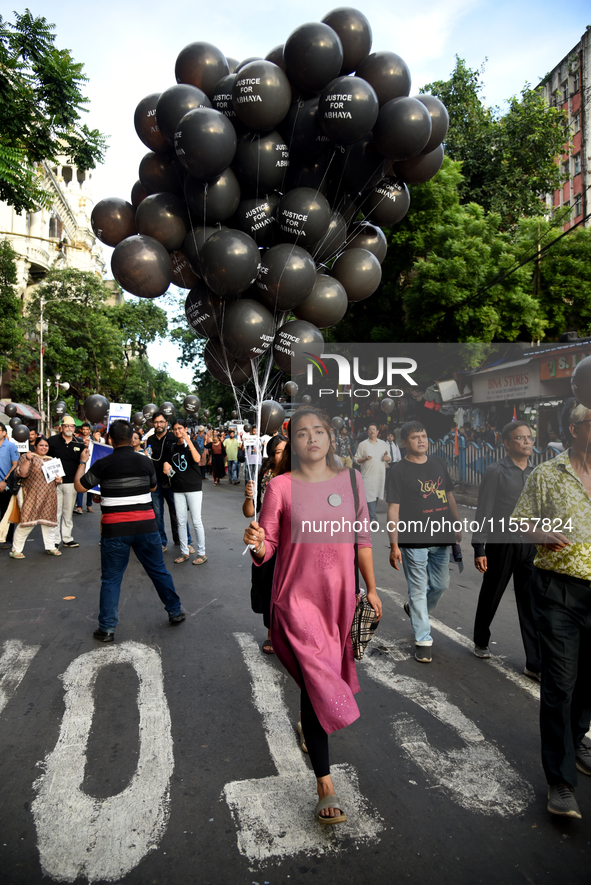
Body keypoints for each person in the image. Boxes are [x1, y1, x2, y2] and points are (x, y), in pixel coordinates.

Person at [243, 407, 382, 824]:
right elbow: (265, 546)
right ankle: (325, 784)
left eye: (319, 431)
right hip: (296, 602)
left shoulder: (352, 482)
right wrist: (255, 543)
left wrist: (372, 588)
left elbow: (362, 538)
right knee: (318, 681)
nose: (312, 439)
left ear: (330, 437)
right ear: (294, 442)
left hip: (338, 601)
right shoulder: (280, 487)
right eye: (302, 433)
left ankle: (311, 720)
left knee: (316, 685)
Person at [511, 398, 591, 820]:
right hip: (559, 591)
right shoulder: (548, 474)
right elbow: (520, 521)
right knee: (560, 683)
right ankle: (559, 781)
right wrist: (541, 533)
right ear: (575, 429)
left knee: (587, 684)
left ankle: (577, 740)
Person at [75, 419, 185, 641]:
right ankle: (175, 611)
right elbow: (153, 486)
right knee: (158, 570)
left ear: (110, 439)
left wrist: (82, 462)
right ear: (131, 438)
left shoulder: (102, 464)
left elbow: (80, 486)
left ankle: (107, 629)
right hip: (146, 527)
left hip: (114, 530)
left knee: (111, 578)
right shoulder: (144, 462)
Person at [386, 420, 462, 663]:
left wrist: (457, 522)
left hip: (441, 536)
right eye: (415, 437)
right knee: (418, 589)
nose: (421, 440)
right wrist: (394, 544)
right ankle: (423, 639)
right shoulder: (398, 471)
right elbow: (393, 510)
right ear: (404, 442)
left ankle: (416, 611)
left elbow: (448, 495)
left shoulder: (438, 463)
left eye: (424, 435)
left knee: (440, 585)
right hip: (412, 539)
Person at [470, 421, 541, 677]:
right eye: (520, 438)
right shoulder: (496, 471)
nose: (527, 442)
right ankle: (480, 639)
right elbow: (484, 510)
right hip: (502, 544)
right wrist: (480, 547)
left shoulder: (537, 472)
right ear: (507, 442)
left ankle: (534, 662)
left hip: (530, 546)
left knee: (531, 602)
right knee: (492, 593)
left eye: (530, 438)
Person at [242, 434, 287, 653]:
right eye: (279, 451)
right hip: (267, 539)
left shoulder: (299, 476)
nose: (284, 455)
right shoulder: (265, 476)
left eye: (287, 450)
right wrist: (249, 496)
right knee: (268, 585)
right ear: (271, 455)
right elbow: (249, 512)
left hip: (292, 540)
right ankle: (271, 632)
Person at [10, 436, 62, 558]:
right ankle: (16, 550)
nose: (44, 448)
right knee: (28, 522)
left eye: (46, 446)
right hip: (30, 494)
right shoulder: (27, 457)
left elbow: (58, 478)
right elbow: (22, 473)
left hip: (49, 495)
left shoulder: (52, 460)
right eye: (41, 445)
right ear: (35, 446)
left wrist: (59, 480)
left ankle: (50, 547)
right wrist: (27, 460)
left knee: (48, 523)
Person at [163, 418, 206, 565]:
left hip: (193, 487)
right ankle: (184, 552)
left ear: (186, 429)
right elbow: (168, 462)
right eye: (175, 429)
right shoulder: (173, 447)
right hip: (178, 488)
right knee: (181, 521)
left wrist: (188, 440)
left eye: (180, 428)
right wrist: (166, 466)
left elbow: (197, 459)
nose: (178, 431)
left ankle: (201, 553)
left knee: (196, 520)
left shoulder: (192, 444)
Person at [147, 411, 191, 553]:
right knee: (157, 514)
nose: (158, 425)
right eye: (156, 422)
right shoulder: (150, 440)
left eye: (161, 422)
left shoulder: (174, 437)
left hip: (173, 482)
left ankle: (185, 540)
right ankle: (161, 542)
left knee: (178, 512)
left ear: (166, 423)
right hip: (156, 482)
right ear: (153, 424)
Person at [47, 415, 85, 549]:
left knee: (68, 512)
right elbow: (45, 459)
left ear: (74, 428)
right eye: (66, 426)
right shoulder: (51, 441)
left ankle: (67, 538)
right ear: (61, 427)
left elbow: (84, 461)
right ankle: (55, 539)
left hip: (71, 482)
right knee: (56, 512)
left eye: (72, 426)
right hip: (54, 482)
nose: (69, 428)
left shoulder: (79, 443)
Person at [355, 422, 391, 521]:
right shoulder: (363, 444)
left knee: (375, 496)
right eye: (370, 430)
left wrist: (386, 458)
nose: (372, 431)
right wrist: (365, 459)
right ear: (367, 432)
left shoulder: (383, 444)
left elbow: (389, 458)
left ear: (378, 431)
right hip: (367, 474)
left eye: (374, 429)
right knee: (369, 494)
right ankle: (373, 518)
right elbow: (356, 459)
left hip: (379, 474)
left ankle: (368, 516)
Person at [0, 422, 19, 549]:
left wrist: (4, 481)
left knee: (6, 512)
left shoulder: (10, 446)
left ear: (4, 432)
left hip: (5, 485)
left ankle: (8, 539)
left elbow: (15, 464)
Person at [74, 422, 94, 514]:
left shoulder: (93, 440)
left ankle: (89, 505)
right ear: (81, 430)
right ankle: (79, 506)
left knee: (90, 484)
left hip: (90, 464)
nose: (85, 431)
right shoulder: (77, 440)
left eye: (87, 429)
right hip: (80, 464)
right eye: (84, 429)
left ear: (89, 430)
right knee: (80, 484)